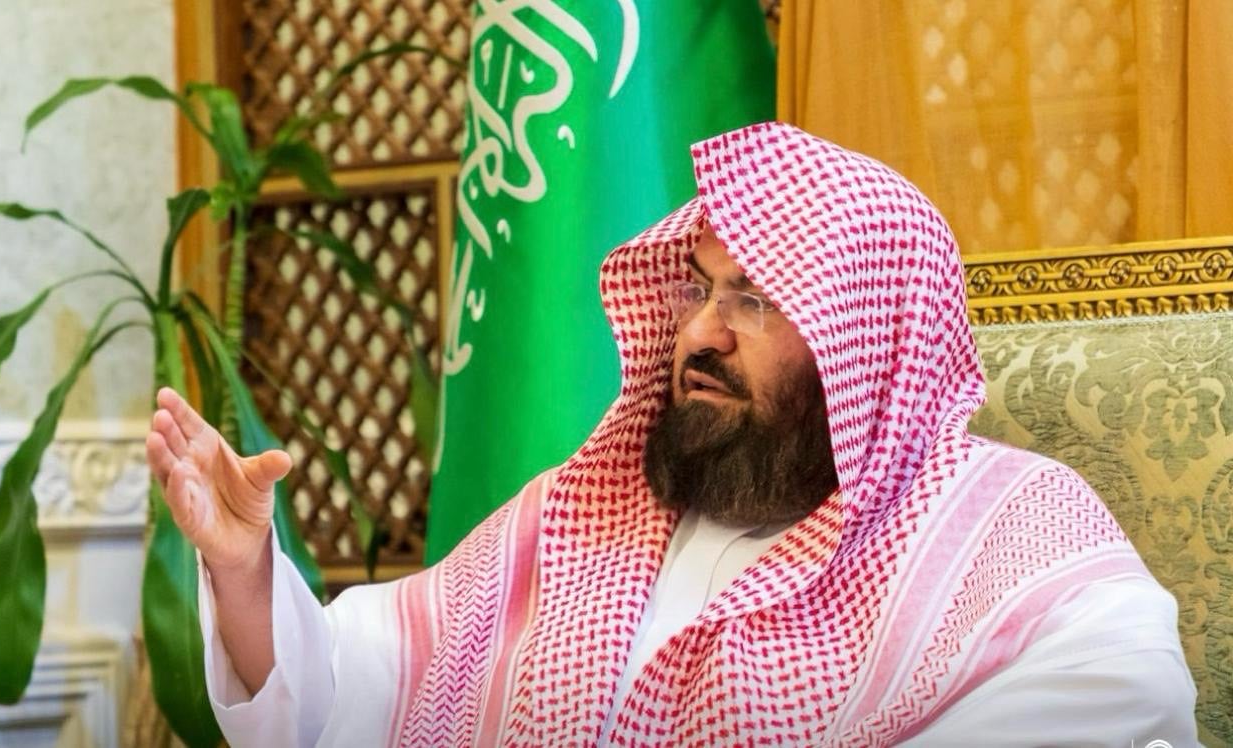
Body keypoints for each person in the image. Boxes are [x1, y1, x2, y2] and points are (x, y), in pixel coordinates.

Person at [146, 122, 1197, 746]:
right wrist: (244, 570)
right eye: (698, 289)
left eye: (753, 299)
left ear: (862, 338)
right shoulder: (585, 512)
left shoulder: (1001, 518)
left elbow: (1128, 685)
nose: (697, 332)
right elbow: (347, 693)